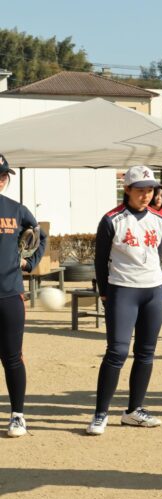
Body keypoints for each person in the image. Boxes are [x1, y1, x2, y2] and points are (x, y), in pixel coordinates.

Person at [87, 165, 162, 435]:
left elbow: (159, 253)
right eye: (140, 190)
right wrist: (105, 293)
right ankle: (100, 413)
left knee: (146, 352)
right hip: (123, 290)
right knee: (117, 352)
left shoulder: (160, 219)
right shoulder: (112, 219)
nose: (146, 195)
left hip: (154, 290)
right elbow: (100, 260)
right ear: (127, 189)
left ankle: (134, 410)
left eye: (150, 190)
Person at [0, 155, 47, 438]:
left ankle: (18, 414)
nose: (2, 179)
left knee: (12, 357)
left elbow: (40, 235)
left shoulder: (16, 210)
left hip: (9, 294)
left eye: (3, 175)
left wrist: (29, 263)